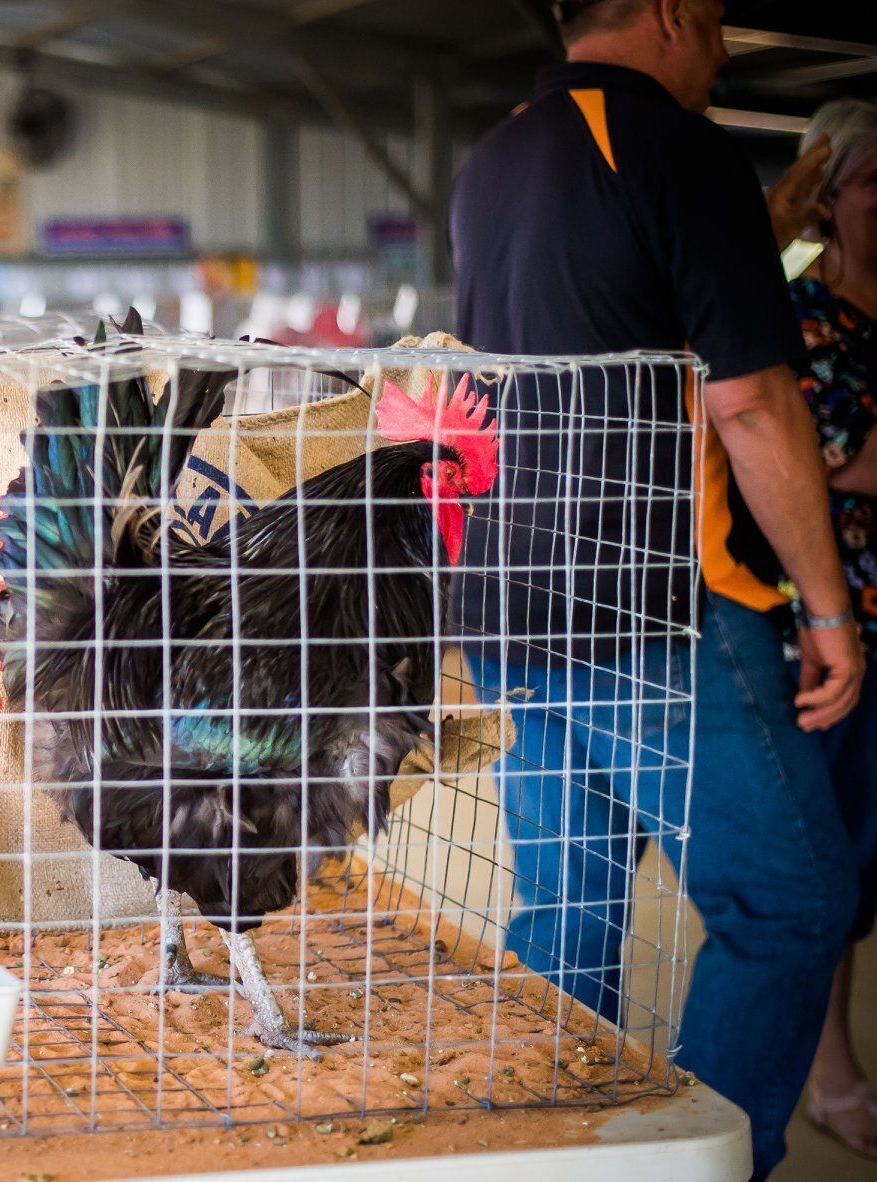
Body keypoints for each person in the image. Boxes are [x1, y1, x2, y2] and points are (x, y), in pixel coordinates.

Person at [448, 2, 863, 1177]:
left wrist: (759, 227)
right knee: (787, 905)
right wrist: (826, 609)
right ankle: (695, 1163)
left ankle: (548, 1157)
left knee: (564, 926)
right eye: (720, 25)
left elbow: (607, 301)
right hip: (654, 602)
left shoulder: (494, 159)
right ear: (674, 14)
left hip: (512, 597)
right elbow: (749, 402)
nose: (726, 48)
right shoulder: (681, 153)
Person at [785, 97, 877, 1161]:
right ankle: (828, 1067)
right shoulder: (803, 313)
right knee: (834, 855)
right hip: (832, 618)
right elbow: (840, 461)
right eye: (870, 186)